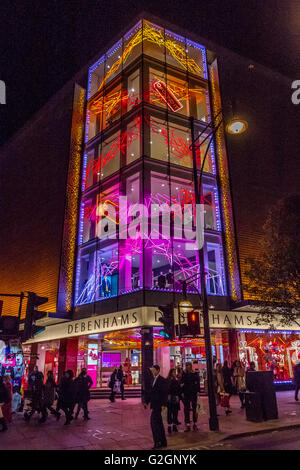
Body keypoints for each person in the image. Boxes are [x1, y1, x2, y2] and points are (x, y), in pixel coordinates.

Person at [144, 365, 168, 449]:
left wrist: (164, 404)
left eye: (153, 370)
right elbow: (151, 392)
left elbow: (165, 393)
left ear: (158, 370)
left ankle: (157, 442)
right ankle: (163, 441)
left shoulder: (162, 380)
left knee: (154, 424)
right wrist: (146, 402)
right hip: (154, 405)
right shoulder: (153, 379)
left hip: (158, 405)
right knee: (159, 424)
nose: (152, 372)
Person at [180, 362, 200, 432]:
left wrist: (198, 391)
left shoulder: (194, 373)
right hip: (187, 393)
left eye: (189, 365)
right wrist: (182, 391)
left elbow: (197, 382)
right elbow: (182, 383)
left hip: (193, 392)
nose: (188, 367)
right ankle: (187, 424)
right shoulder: (184, 374)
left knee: (194, 408)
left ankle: (195, 423)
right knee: (186, 408)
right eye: (186, 365)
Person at [166, 368, 181, 433]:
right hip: (171, 398)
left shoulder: (176, 380)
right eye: (174, 372)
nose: (175, 374)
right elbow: (168, 389)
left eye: (175, 372)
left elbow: (178, 389)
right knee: (170, 412)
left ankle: (174, 426)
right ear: (171, 373)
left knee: (175, 412)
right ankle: (170, 426)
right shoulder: (170, 380)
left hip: (175, 398)